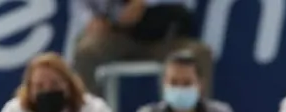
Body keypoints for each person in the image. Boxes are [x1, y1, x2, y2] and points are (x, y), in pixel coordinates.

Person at [70, 0, 214, 97]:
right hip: (118, 35)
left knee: (198, 53)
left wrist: (144, 3)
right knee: (86, 52)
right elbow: (84, 9)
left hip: (163, 37)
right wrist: (92, 21)